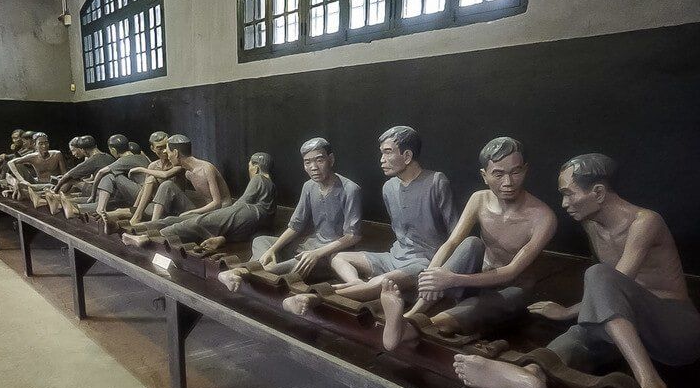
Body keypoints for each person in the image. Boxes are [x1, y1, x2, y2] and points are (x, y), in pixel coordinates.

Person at [453, 153, 700, 388]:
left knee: (598, 279)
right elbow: (606, 298)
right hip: (628, 326)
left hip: (676, 331)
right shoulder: (591, 224)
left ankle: (651, 385)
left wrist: (567, 311)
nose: (563, 203)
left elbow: (614, 283)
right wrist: (578, 315)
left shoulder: (645, 222)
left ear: (599, 193)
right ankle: (532, 372)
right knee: (581, 333)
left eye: (568, 193)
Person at [380, 137, 556, 350]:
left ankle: (411, 327)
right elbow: (452, 241)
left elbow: (511, 271)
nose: (508, 182)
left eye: (515, 172)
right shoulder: (479, 199)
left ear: (525, 170)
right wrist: (432, 274)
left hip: (509, 290)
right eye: (498, 174)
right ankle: (413, 311)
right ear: (485, 176)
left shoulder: (543, 217)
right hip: (475, 279)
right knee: (471, 243)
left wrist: (452, 279)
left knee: (490, 302)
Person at [283, 126, 458, 315]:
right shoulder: (388, 188)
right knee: (339, 257)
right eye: (381, 153)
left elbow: (455, 234)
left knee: (383, 282)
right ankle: (357, 285)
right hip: (394, 258)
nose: (381, 160)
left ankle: (314, 298)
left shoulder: (436, 181)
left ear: (407, 156)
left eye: (387, 152)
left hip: (425, 262)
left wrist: (435, 272)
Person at [218, 138, 362, 297]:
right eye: (307, 162)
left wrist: (317, 253)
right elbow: (296, 226)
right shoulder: (308, 187)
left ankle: (242, 272)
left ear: (331, 159)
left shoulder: (350, 189)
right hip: (311, 244)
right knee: (261, 241)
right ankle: (264, 267)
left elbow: (352, 236)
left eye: (319, 160)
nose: (313, 167)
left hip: (332, 253)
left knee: (297, 263)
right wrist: (272, 250)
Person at [122, 152, 276, 250]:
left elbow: (242, 202)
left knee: (195, 222)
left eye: (249, 165)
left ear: (256, 167)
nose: (248, 169)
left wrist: (216, 212)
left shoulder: (259, 179)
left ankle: (147, 237)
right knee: (181, 220)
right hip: (245, 222)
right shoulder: (269, 188)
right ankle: (142, 228)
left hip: (244, 212)